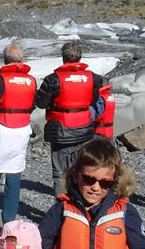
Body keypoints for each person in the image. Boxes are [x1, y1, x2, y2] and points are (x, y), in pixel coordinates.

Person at [0, 44, 36, 232]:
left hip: (1, 130)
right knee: (14, 176)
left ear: (5, 60)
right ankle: (9, 223)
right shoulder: (31, 80)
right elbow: (32, 105)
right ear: (21, 59)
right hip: (22, 131)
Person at [34, 41, 104, 196]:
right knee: (82, 170)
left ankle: (63, 211)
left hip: (61, 132)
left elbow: (40, 103)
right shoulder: (93, 78)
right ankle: (80, 209)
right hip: (85, 130)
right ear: (80, 57)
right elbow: (93, 100)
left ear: (63, 58)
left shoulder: (53, 80)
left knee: (60, 173)